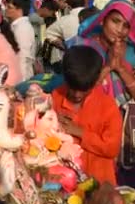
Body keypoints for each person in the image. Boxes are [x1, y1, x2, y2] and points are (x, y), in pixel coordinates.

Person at [65, 0, 135, 189]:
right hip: (88, 126)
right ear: (103, 19)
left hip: (124, 130)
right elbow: (80, 87)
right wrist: (108, 65)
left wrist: (121, 66)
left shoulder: (132, 52)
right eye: (115, 21)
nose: (120, 30)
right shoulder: (83, 46)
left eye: (125, 26)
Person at [50, 50, 122, 185]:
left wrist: (79, 132)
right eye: (73, 88)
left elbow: (111, 148)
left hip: (99, 186)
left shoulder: (107, 106)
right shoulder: (55, 98)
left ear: (95, 82)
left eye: (84, 89)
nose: (77, 94)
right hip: (62, 184)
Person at [45, 0, 86, 73]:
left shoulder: (64, 20)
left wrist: (61, 44)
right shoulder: (95, 15)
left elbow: (48, 33)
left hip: (71, 61)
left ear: (68, 5)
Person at [5, 0, 36, 81]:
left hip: (21, 78)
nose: (6, 10)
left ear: (19, 9)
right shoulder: (16, 26)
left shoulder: (22, 28)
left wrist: (20, 82)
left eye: (9, 7)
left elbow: (23, 57)